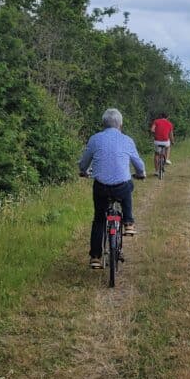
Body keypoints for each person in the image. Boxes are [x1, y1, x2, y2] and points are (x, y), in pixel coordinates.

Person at [78, 108, 146, 269]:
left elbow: (84, 162)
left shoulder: (95, 139)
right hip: (121, 187)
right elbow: (139, 164)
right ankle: (128, 222)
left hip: (101, 187)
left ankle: (95, 257)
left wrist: (83, 171)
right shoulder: (127, 140)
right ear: (120, 125)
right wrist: (141, 173)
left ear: (103, 124)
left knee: (99, 220)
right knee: (128, 185)